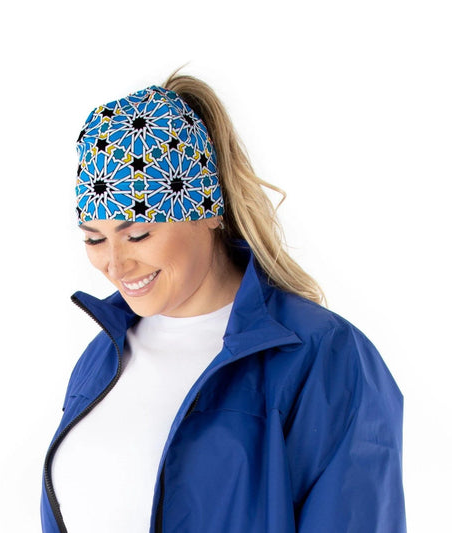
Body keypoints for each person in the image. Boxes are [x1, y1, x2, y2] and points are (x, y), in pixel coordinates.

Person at [40, 69, 406, 533]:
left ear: (208, 211)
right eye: (94, 239)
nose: (115, 264)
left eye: (138, 234)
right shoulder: (102, 358)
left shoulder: (322, 355)